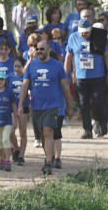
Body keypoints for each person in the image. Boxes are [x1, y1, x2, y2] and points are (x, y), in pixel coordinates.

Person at [19, 34, 73, 173]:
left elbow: (65, 87)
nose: (39, 51)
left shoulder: (57, 66)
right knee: (42, 135)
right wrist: (21, 105)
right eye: (37, 49)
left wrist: (69, 106)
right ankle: (49, 156)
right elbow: (25, 86)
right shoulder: (31, 67)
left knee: (49, 131)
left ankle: (49, 162)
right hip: (37, 106)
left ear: (49, 49)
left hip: (53, 106)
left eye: (42, 49)